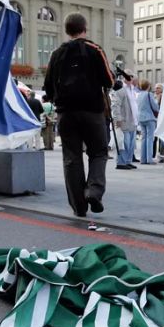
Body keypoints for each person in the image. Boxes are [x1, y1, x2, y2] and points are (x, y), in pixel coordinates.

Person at [43, 12, 114, 217]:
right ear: (85, 28)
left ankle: (78, 206)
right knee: (98, 152)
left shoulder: (56, 54)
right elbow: (108, 80)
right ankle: (93, 190)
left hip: (66, 114)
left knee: (71, 158)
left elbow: (48, 87)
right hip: (92, 111)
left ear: (67, 30)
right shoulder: (94, 49)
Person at [111, 72, 138, 170]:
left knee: (130, 144)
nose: (131, 78)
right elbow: (115, 105)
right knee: (123, 142)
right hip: (124, 120)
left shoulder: (132, 90)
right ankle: (121, 162)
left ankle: (128, 161)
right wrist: (117, 118)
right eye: (129, 76)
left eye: (132, 76)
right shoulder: (120, 89)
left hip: (132, 121)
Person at [136, 79, 159, 164]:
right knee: (150, 138)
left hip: (141, 118)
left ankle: (143, 159)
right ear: (148, 86)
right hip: (149, 118)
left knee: (143, 138)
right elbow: (155, 106)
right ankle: (149, 159)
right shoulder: (149, 94)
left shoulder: (138, 95)